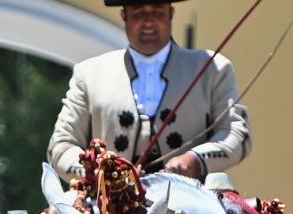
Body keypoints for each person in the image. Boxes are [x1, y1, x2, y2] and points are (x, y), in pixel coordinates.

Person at [47, 1, 250, 183]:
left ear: (171, 13)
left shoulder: (213, 69)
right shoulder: (89, 74)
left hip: (194, 200)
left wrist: (195, 159)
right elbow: (61, 146)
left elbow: (237, 134)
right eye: (138, 13)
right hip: (108, 211)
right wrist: (99, 174)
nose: (148, 22)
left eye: (157, 12)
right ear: (123, 16)